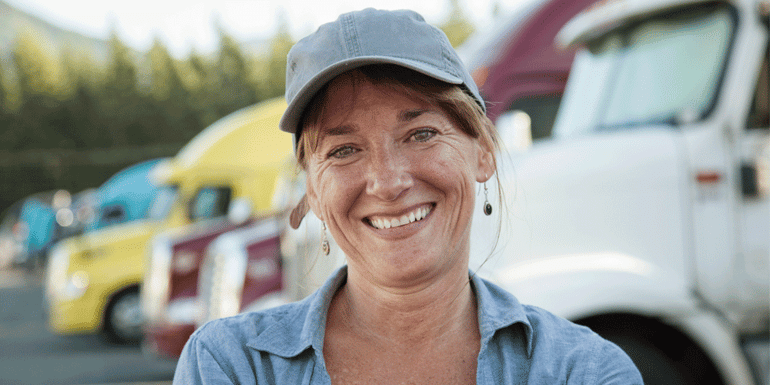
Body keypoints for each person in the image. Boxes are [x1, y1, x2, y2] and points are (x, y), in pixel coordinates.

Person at [173, 8, 643, 384]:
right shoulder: (233, 366)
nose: (387, 181)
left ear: (483, 151)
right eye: (344, 150)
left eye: (420, 134)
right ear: (312, 189)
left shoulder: (582, 371)